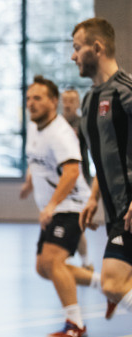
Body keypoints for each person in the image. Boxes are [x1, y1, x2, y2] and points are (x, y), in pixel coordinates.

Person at [19, 75, 99, 337]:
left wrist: (52, 205)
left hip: (71, 205)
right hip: (56, 207)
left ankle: (75, 324)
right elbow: (36, 159)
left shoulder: (61, 132)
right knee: (43, 267)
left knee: (53, 261)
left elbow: (73, 171)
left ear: (53, 102)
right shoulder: (34, 127)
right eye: (29, 98)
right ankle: (106, 284)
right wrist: (30, 182)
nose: (31, 103)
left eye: (38, 98)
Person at [71, 17, 132, 320]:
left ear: (97, 48)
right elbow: (102, 156)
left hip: (129, 210)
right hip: (115, 210)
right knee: (115, 283)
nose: (73, 56)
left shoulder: (126, 91)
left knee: (111, 281)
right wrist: (94, 196)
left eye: (77, 48)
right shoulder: (90, 100)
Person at [61, 87, 94, 266]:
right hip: (61, 182)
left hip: (80, 182)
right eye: (65, 101)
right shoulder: (57, 125)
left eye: (71, 101)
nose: (67, 105)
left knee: (77, 221)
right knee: (64, 220)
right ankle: (70, 257)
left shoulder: (83, 124)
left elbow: (94, 151)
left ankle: (85, 261)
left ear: (78, 103)